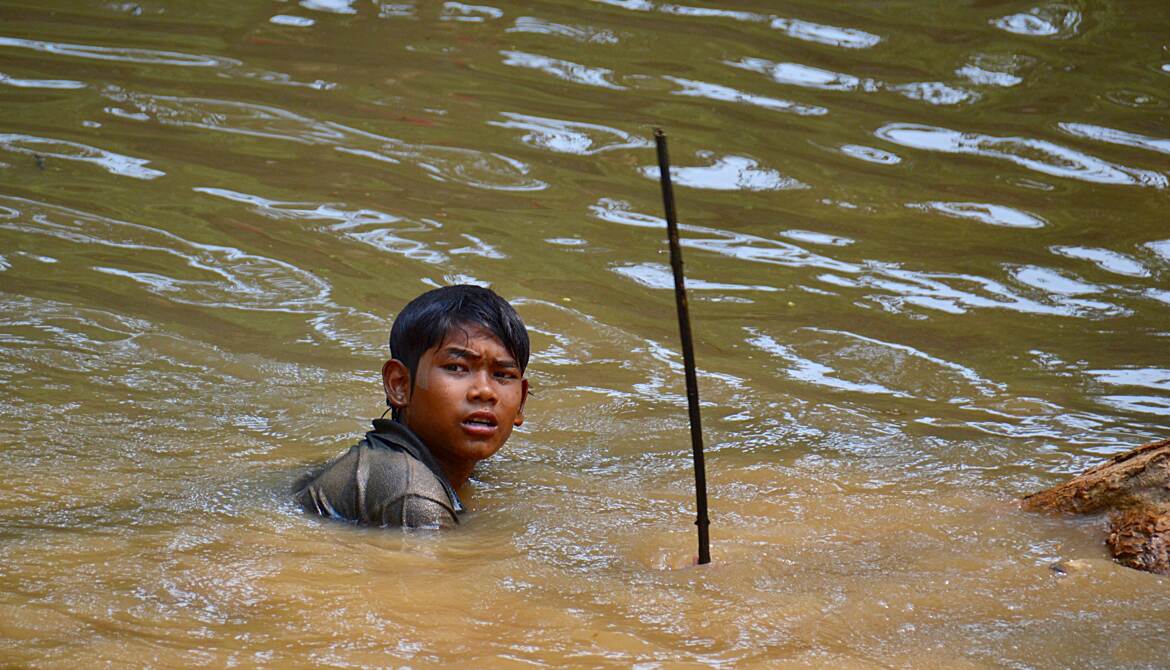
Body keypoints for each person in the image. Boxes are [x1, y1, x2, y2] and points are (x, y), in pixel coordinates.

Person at [293, 284, 530, 528]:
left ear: (521, 402)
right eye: (456, 367)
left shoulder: (423, 467)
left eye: (502, 374)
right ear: (400, 385)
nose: (485, 391)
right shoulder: (413, 497)